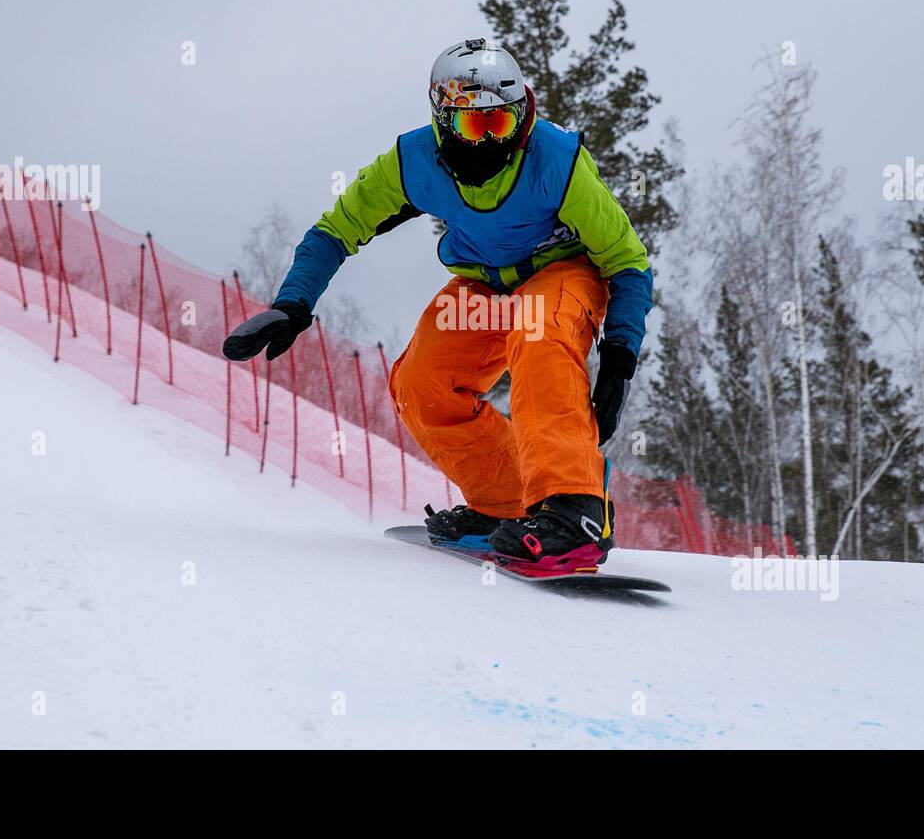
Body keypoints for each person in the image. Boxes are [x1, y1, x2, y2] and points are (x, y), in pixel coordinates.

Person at [223, 39, 652, 569]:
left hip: (562, 272)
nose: (493, 138)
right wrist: (293, 304)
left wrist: (619, 357)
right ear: (445, 122)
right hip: (486, 284)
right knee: (421, 382)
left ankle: (575, 509)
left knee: (540, 335)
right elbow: (337, 230)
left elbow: (627, 260)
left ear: (523, 114)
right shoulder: (413, 162)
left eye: (502, 122)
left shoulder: (556, 161)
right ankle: (506, 504)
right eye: (476, 127)